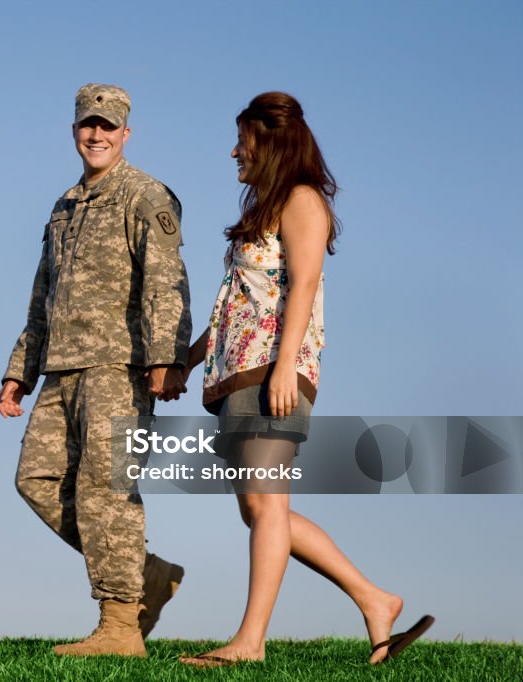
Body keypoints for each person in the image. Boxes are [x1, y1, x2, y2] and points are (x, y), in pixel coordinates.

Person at [177, 91, 434, 667]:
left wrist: (286, 364)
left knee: (267, 507)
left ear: (268, 140)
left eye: (241, 139)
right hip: (239, 373)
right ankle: (376, 599)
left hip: (274, 372)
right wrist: (189, 364)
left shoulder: (301, 200)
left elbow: (306, 283)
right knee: (262, 511)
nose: (233, 151)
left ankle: (249, 642)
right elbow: (235, 305)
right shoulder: (267, 207)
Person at [0, 83, 192, 657]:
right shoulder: (63, 206)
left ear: (126, 134)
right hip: (61, 368)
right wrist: (19, 371)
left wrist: (166, 358)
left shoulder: (144, 195)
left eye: (108, 126)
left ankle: (119, 626)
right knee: (35, 480)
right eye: (89, 125)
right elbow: (43, 296)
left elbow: (166, 281)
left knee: (104, 491)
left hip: (120, 366)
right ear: (75, 131)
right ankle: (146, 575)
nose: (97, 134)